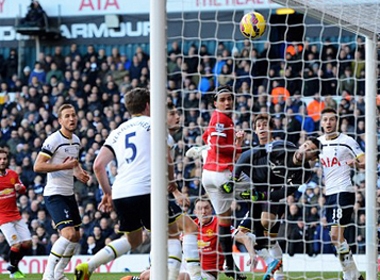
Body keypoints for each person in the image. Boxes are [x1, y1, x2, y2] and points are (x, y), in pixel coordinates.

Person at [74, 88, 188, 280]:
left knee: (134, 239)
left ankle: (88, 265)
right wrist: (173, 186)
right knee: (172, 235)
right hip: (147, 190)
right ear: (148, 105)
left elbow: (98, 165)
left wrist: (108, 194)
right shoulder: (155, 125)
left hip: (121, 193)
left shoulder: (118, 131)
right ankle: (166, 276)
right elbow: (167, 158)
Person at [227, 114, 320, 280]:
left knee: (263, 226)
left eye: (310, 150)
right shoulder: (269, 149)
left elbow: (286, 192)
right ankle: (275, 270)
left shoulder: (300, 167)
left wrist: (262, 194)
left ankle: (272, 267)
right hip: (250, 189)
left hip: (270, 196)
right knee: (256, 236)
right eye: (305, 145)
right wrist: (234, 178)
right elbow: (240, 158)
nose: (262, 128)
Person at [125, 196, 256, 280]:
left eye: (206, 208)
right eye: (200, 208)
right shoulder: (190, 226)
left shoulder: (218, 224)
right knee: (146, 275)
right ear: (195, 212)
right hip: (186, 266)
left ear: (212, 210)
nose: (203, 211)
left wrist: (252, 254)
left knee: (181, 277)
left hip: (206, 274)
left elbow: (245, 238)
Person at [34, 104, 90, 280]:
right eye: (67, 116)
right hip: (54, 193)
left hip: (69, 193)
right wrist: (65, 166)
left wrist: (79, 172)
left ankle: (59, 273)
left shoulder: (77, 141)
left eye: (73, 115)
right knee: (69, 234)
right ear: (60, 120)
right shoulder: (53, 140)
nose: (71, 119)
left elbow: (73, 162)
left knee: (77, 236)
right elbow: (38, 166)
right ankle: (48, 274)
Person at [201, 85, 246, 279]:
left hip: (207, 175)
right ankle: (257, 240)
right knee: (264, 191)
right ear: (215, 102)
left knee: (224, 220)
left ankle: (229, 263)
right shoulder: (221, 118)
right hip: (222, 173)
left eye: (230, 99)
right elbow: (218, 144)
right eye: (223, 99)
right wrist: (238, 146)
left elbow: (206, 138)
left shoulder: (215, 118)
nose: (227, 102)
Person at [318, 108, 364, 280]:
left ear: (336, 122)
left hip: (344, 191)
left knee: (336, 236)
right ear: (321, 123)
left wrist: (356, 163)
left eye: (331, 119)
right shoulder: (319, 142)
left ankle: (348, 275)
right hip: (329, 194)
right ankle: (355, 275)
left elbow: (365, 159)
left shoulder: (347, 141)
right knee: (335, 238)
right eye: (325, 120)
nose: (328, 123)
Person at [0, 148, 31, 279]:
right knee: (16, 244)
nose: (2, 161)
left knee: (28, 243)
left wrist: (20, 188)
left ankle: (11, 263)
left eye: (4, 159)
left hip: (15, 215)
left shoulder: (13, 174)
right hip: (3, 217)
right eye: (0, 159)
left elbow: (23, 189)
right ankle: (13, 271)